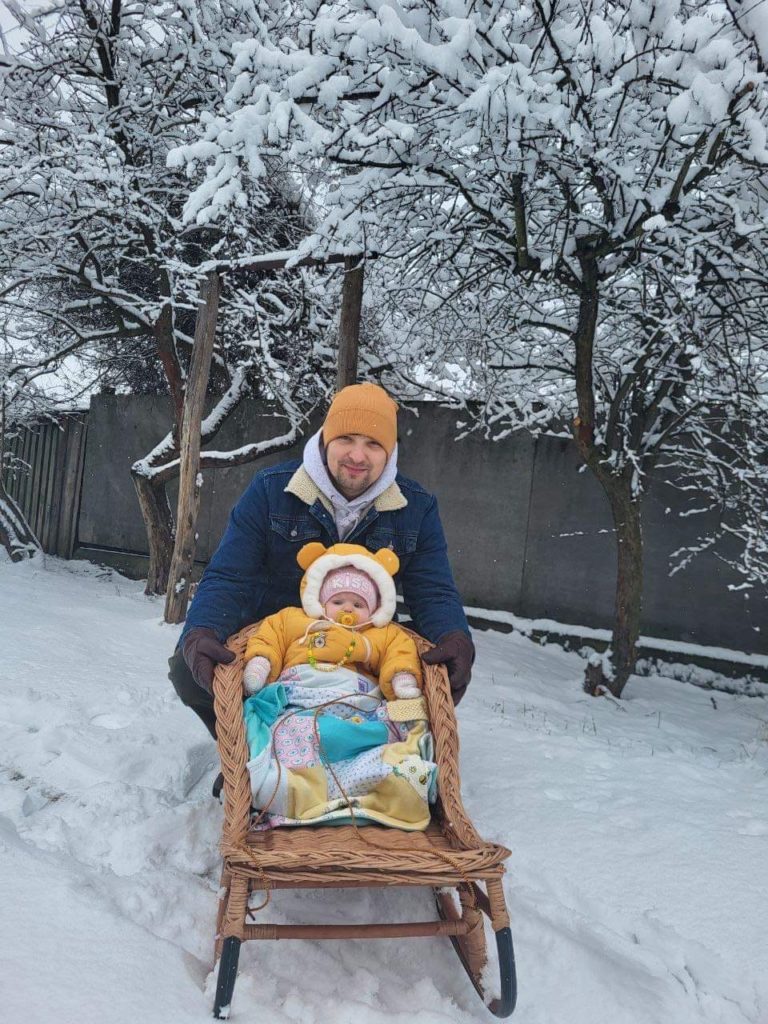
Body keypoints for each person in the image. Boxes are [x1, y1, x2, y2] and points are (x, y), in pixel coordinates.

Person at [169, 382, 475, 745]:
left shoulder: (416, 507)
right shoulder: (271, 490)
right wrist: (202, 630)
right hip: (278, 644)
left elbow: (433, 591)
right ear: (326, 438)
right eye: (346, 439)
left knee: (424, 676)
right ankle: (254, 753)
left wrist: (454, 636)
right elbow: (230, 576)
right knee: (188, 671)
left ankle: (393, 759)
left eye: (374, 444)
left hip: (364, 650)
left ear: (390, 451)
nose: (358, 456)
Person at [242, 541, 422, 700]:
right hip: (297, 688)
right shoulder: (294, 619)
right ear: (321, 602)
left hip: (352, 695)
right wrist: (261, 663)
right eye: (337, 601)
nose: (348, 609)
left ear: (374, 609)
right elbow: (270, 637)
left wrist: (402, 678)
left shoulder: (382, 633)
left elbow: (400, 653)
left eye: (358, 604)